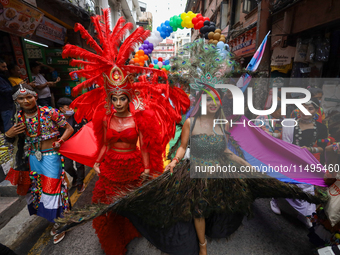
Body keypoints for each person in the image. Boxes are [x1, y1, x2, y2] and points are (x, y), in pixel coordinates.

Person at [57, 11, 190, 255]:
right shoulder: (103, 118)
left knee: (132, 206)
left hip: (133, 168)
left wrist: (148, 169)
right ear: (109, 97)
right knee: (105, 211)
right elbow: (104, 144)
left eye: (122, 98)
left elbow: (146, 144)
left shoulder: (141, 117)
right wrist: (97, 162)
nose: (118, 102)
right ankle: (113, 244)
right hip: (109, 170)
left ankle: (131, 230)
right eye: (114, 98)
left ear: (129, 97)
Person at [4, 84, 74, 244]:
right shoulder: (17, 119)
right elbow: (10, 142)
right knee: (39, 190)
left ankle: (60, 222)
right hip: (32, 158)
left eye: (29, 96)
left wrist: (61, 140)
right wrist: (9, 134)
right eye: (21, 98)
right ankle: (59, 216)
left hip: (51, 156)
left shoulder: (50, 112)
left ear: (35, 96)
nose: (26, 100)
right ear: (16, 101)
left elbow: (68, 128)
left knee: (52, 189)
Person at [271, 98, 329, 226]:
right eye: (303, 107)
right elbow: (281, 137)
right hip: (288, 158)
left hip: (305, 161)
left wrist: (309, 149)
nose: (306, 111)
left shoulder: (321, 128)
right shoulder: (290, 123)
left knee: (305, 187)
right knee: (282, 180)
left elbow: (323, 147)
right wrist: (267, 133)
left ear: (316, 111)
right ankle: (274, 199)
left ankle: (304, 214)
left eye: (310, 108)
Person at [57, 97, 85, 193]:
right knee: (67, 166)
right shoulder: (57, 120)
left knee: (79, 165)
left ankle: (80, 183)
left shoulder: (77, 117)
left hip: (78, 145)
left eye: (72, 107)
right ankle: (76, 177)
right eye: (68, 107)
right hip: (65, 147)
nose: (71, 109)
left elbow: (83, 130)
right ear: (61, 109)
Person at [0, 59, 14, 132]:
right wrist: (15, 88)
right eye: (3, 67)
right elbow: (3, 91)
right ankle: (10, 141)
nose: (6, 69)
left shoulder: (3, 78)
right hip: (5, 106)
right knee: (9, 126)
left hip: (9, 105)